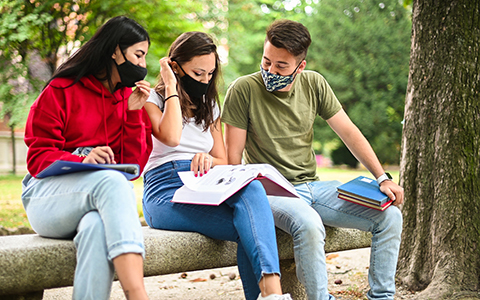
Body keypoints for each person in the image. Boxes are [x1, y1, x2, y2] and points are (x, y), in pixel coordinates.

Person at [222, 19, 404, 300]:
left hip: (313, 187)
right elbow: (233, 160)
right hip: (269, 192)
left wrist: (382, 177)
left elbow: (349, 132)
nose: (270, 70)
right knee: (309, 224)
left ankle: (381, 297)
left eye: (281, 66)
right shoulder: (243, 89)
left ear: (300, 66)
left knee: (390, 217)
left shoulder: (314, 83)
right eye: (266, 61)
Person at [142, 31, 291, 300]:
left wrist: (209, 159)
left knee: (253, 190)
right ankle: (273, 296)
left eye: (210, 74)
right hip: (165, 192)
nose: (205, 81)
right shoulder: (151, 101)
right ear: (175, 67)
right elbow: (172, 137)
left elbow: (223, 160)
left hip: (202, 183)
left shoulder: (208, 106)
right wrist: (171, 87)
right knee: (251, 230)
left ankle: (272, 295)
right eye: (198, 73)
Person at [21, 16, 153, 300]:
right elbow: (37, 159)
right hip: (46, 199)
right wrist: (83, 160)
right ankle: (137, 293)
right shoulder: (61, 90)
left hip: (96, 199)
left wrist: (132, 115)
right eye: (138, 55)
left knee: (96, 226)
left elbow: (134, 167)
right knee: (111, 182)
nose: (142, 65)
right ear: (115, 51)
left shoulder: (127, 99)